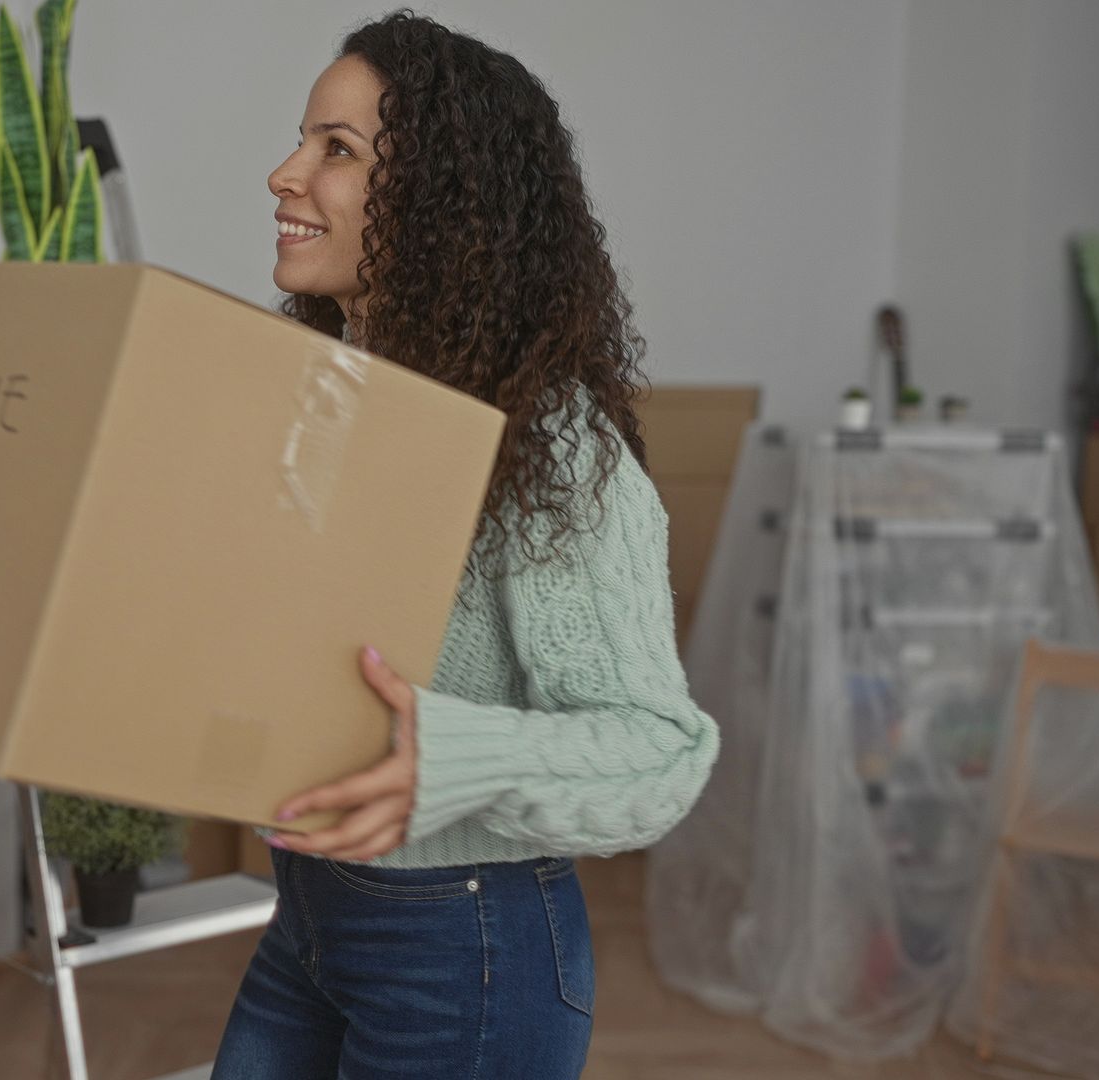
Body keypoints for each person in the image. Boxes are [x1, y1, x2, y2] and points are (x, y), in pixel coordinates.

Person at [210, 11, 718, 1078]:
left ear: (441, 202)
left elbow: (660, 753)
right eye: (303, 139)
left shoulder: (550, 448)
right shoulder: (328, 406)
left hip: (465, 948)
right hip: (312, 916)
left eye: (336, 151)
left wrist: (455, 755)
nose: (283, 174)